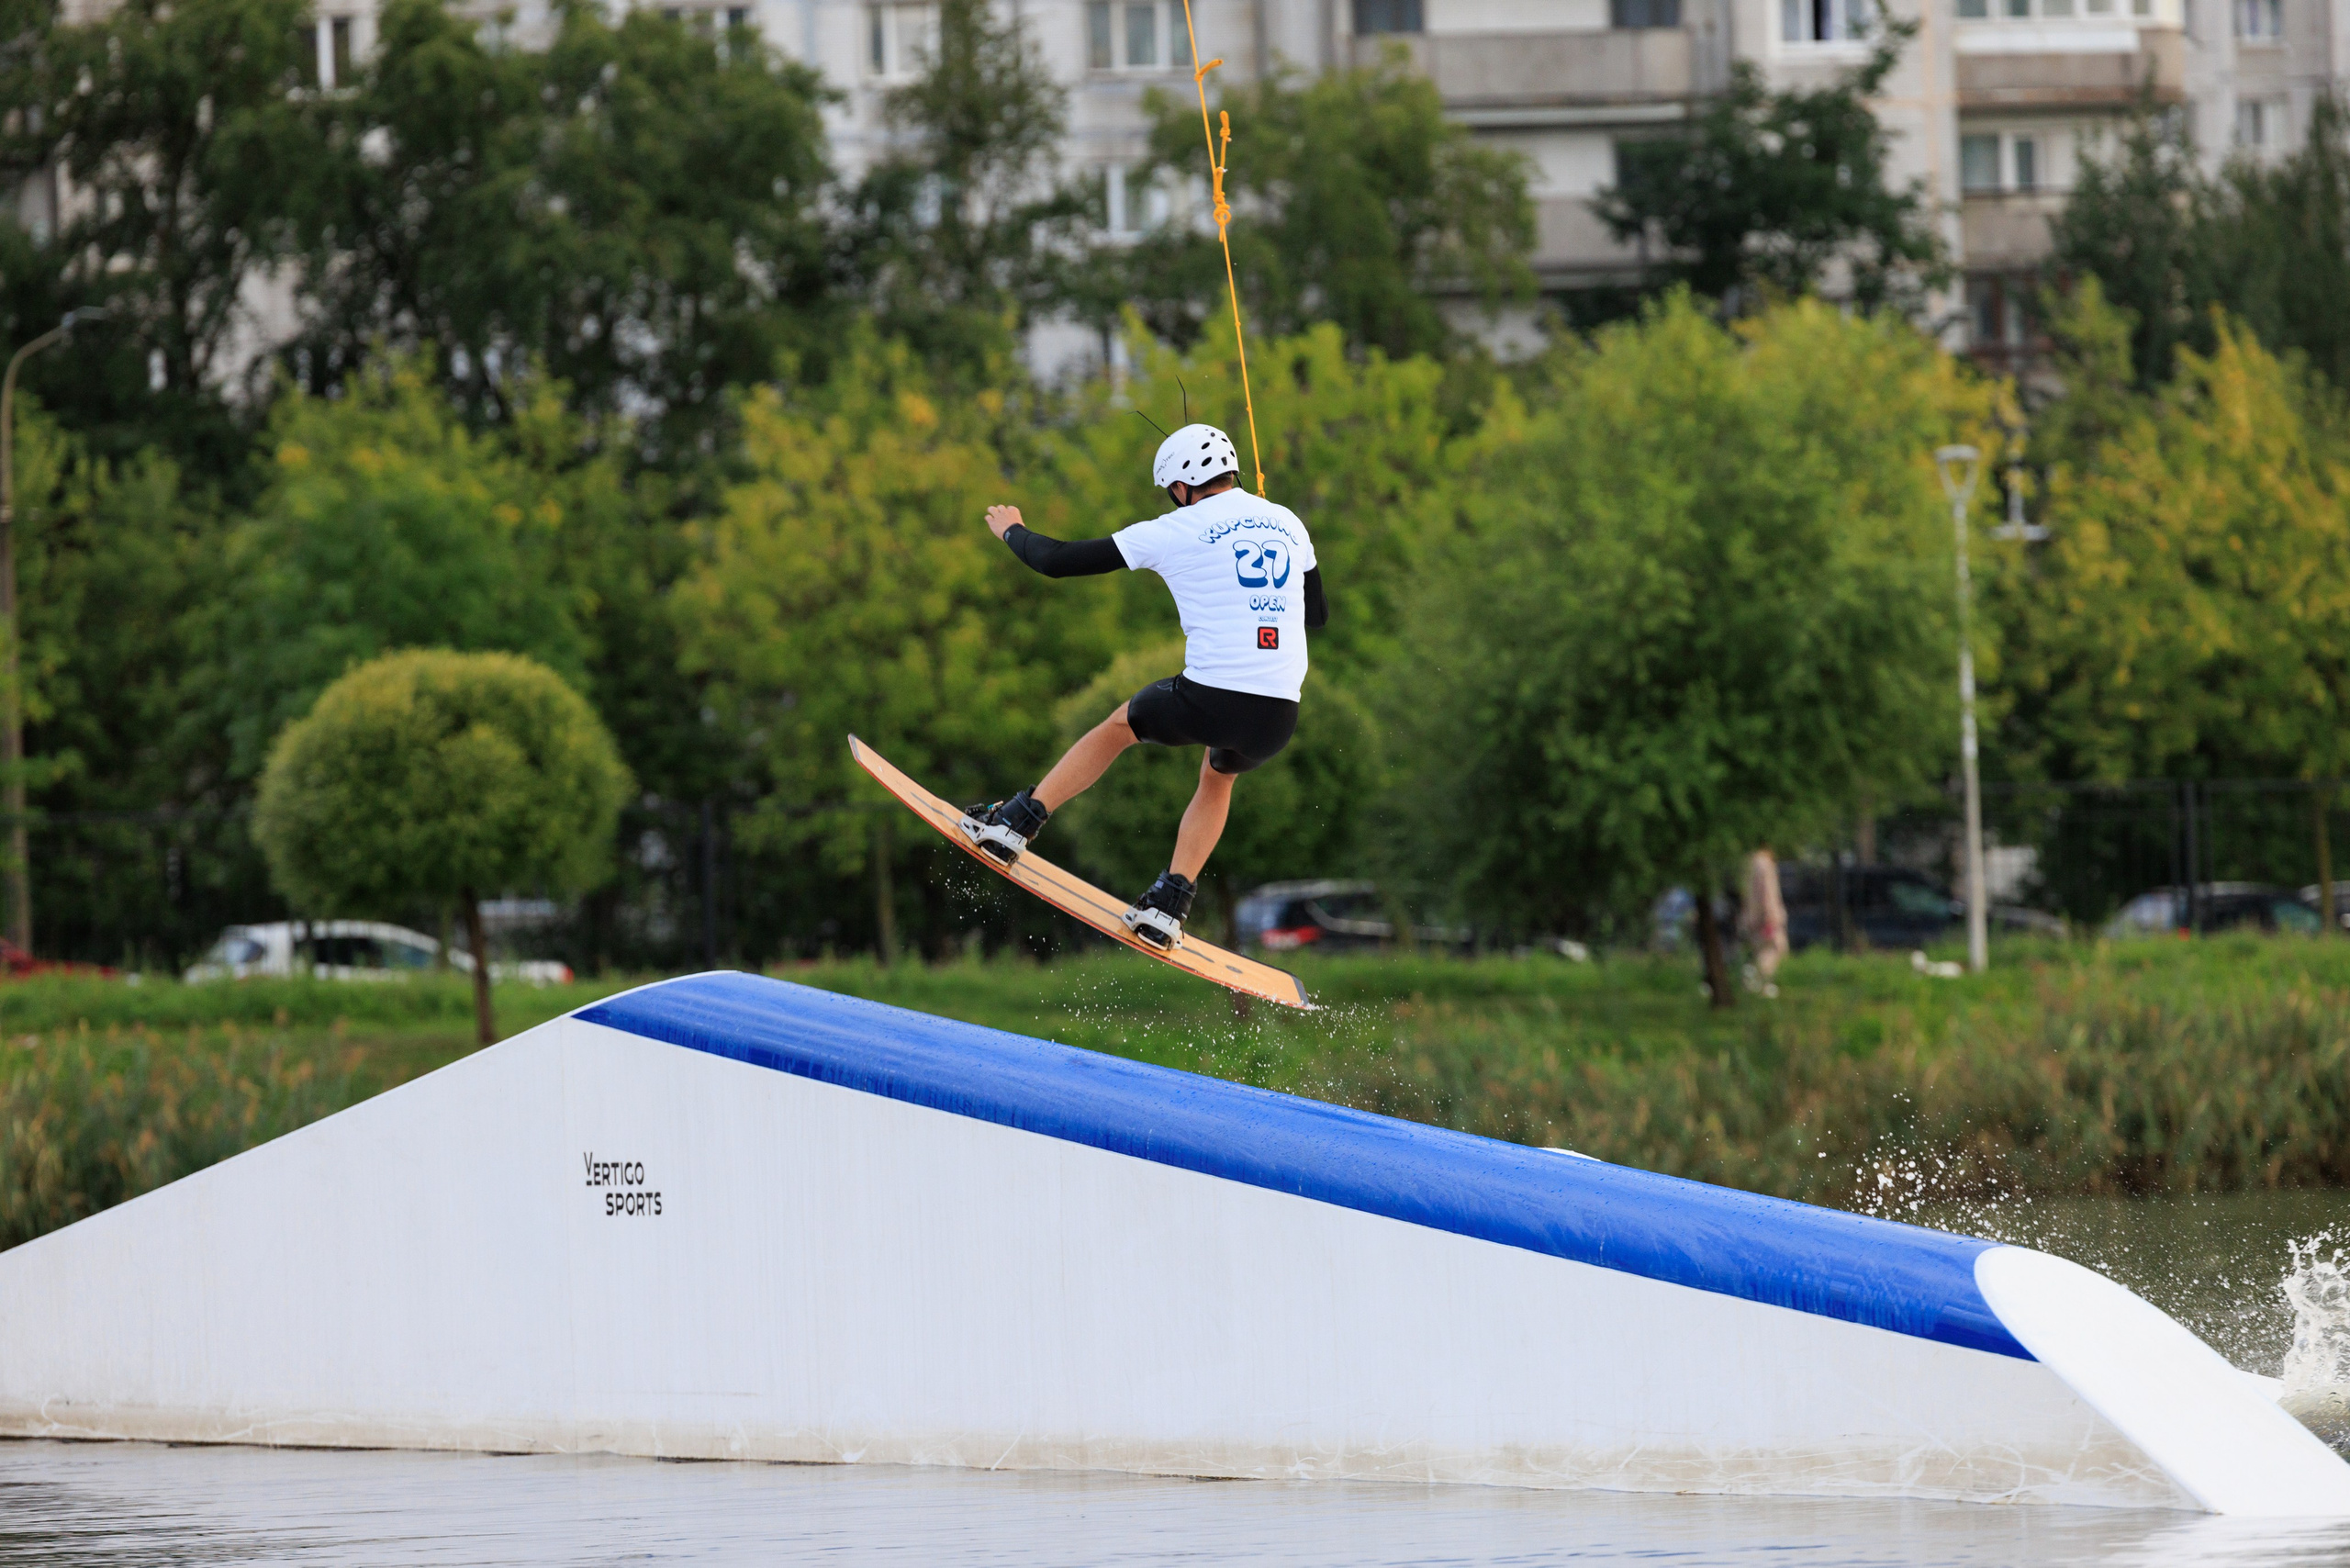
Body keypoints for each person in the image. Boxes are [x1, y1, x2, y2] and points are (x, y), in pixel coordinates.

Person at [963, 423, 1326, 949]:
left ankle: (1014, 824)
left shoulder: (1175, 528)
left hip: (1211, 698)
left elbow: (1057, 562)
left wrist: (1012, 530)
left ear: (1181, 486)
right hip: (1278, 717)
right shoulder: (1289, 522)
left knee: (1120, 726)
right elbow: (1317, 615)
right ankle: (1168, 906)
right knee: (1218, 776)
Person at [1740, 846, 1789, 998]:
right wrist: (1770, 917)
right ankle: (1765, 988)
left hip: (1753, 917)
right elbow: (1767, 893)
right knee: (1772, 951)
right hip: (1766, 919)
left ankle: (1755, 987)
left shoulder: (1749, 862)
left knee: (1759, 951)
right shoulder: (1764, 864)